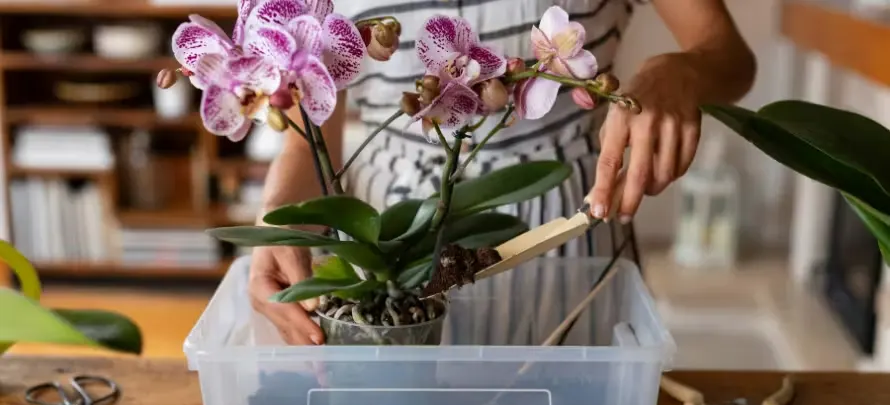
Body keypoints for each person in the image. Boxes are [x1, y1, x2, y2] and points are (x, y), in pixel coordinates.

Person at [251, 0, 756, 345]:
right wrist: (279, 213)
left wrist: (681, 70)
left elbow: (728, 52)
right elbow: (312, 121)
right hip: (391, 240)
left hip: (565, 232)